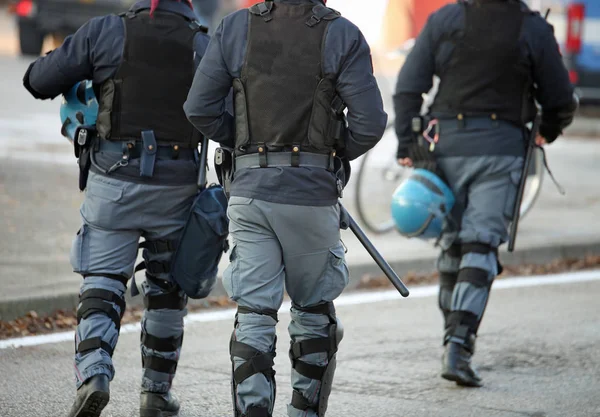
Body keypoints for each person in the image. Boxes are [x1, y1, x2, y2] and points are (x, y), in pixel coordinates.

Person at [183, 0, 387, 416]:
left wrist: (240, 142)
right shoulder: (342, 34)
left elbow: (198, 108)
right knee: (313, 313)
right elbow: (369, 122)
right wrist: (329, 154)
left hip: (250, 193)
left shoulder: (234, 28)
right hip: (312, 196)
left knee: (255, 311)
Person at [22, 1, 212, 416]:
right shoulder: (202, 43)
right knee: (166, 292)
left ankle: (93, 374)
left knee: (102, 283)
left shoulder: (105, 31)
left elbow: (37, 80)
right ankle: (155, 394)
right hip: (177, 187)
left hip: (114, 182)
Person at [393, 0, 577, 387]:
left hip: (446, 146)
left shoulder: (445, 18)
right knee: (479, 245)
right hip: (501, 147)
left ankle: (452, 337)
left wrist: (408, 143)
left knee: (452, 244)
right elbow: (560, 98)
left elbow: (409, 85)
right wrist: (550, 127)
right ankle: (458, 345)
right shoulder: (532, 28)